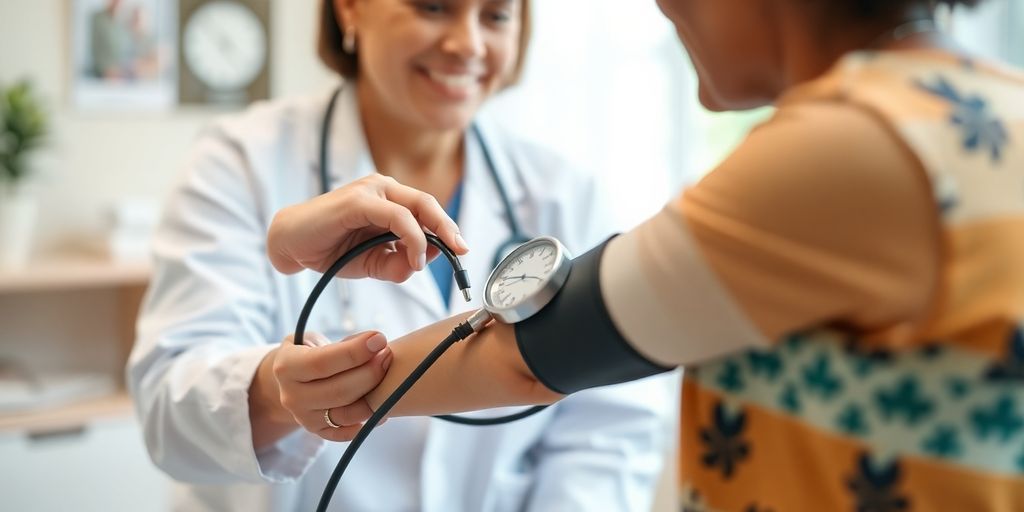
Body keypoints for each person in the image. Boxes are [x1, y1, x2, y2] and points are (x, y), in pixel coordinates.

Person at [266, 0, 1024, 509]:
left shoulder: (845, 146)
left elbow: (531, 353)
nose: (663, 4)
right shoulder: (996, 106)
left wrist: (318, 391)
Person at [127, 0, 674, 511]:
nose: (468, 44)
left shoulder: (565, 192)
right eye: (433, 5)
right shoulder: (242, 162)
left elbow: (613, 425)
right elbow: (169, 413)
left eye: (496, 15)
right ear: (349, 7)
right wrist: (276, 392)